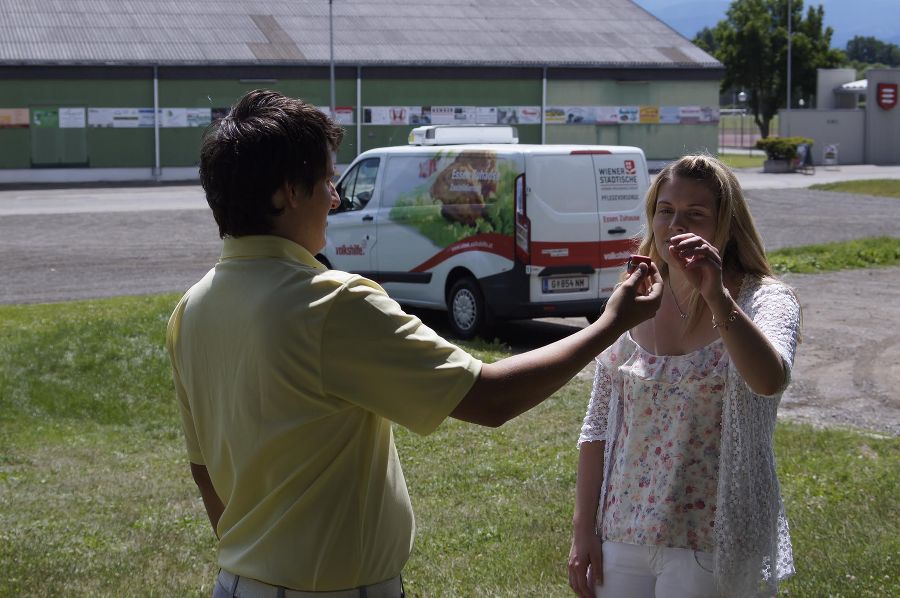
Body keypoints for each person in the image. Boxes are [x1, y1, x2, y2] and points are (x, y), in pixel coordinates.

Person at [165, 89, 664, 598]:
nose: (335, 198)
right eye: (325, 182)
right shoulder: (331, 303)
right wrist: (609, 322)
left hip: (236, 582)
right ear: (287, 193)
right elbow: (490, 397)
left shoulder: (191, 308)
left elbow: (204, 470)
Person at [567, 155, 801, 598]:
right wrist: (583, 530)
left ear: (727, 225)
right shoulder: (634, 296)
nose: (676, 224)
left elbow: (769, 380)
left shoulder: (765, 299)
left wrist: (717, 297)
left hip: (713, 535)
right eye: (665, 210)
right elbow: (597, 424)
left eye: (696, 214)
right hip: (623, 527)